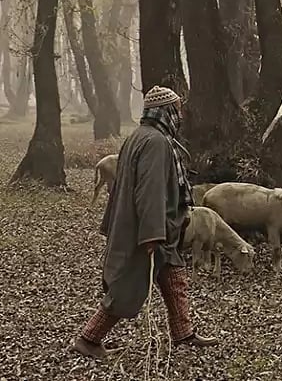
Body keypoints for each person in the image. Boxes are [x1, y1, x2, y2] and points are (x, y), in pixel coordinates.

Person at [72, 85, 217, 360]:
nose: (180, 115)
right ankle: (88, 339)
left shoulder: (140, 137)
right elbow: (149, 190)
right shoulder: (155, 142)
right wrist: (152, 234)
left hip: (162, 227)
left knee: (175, 278)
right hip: (150, 229)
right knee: (127, 286)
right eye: (176, 110)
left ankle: (183, 332)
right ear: (165, 112)